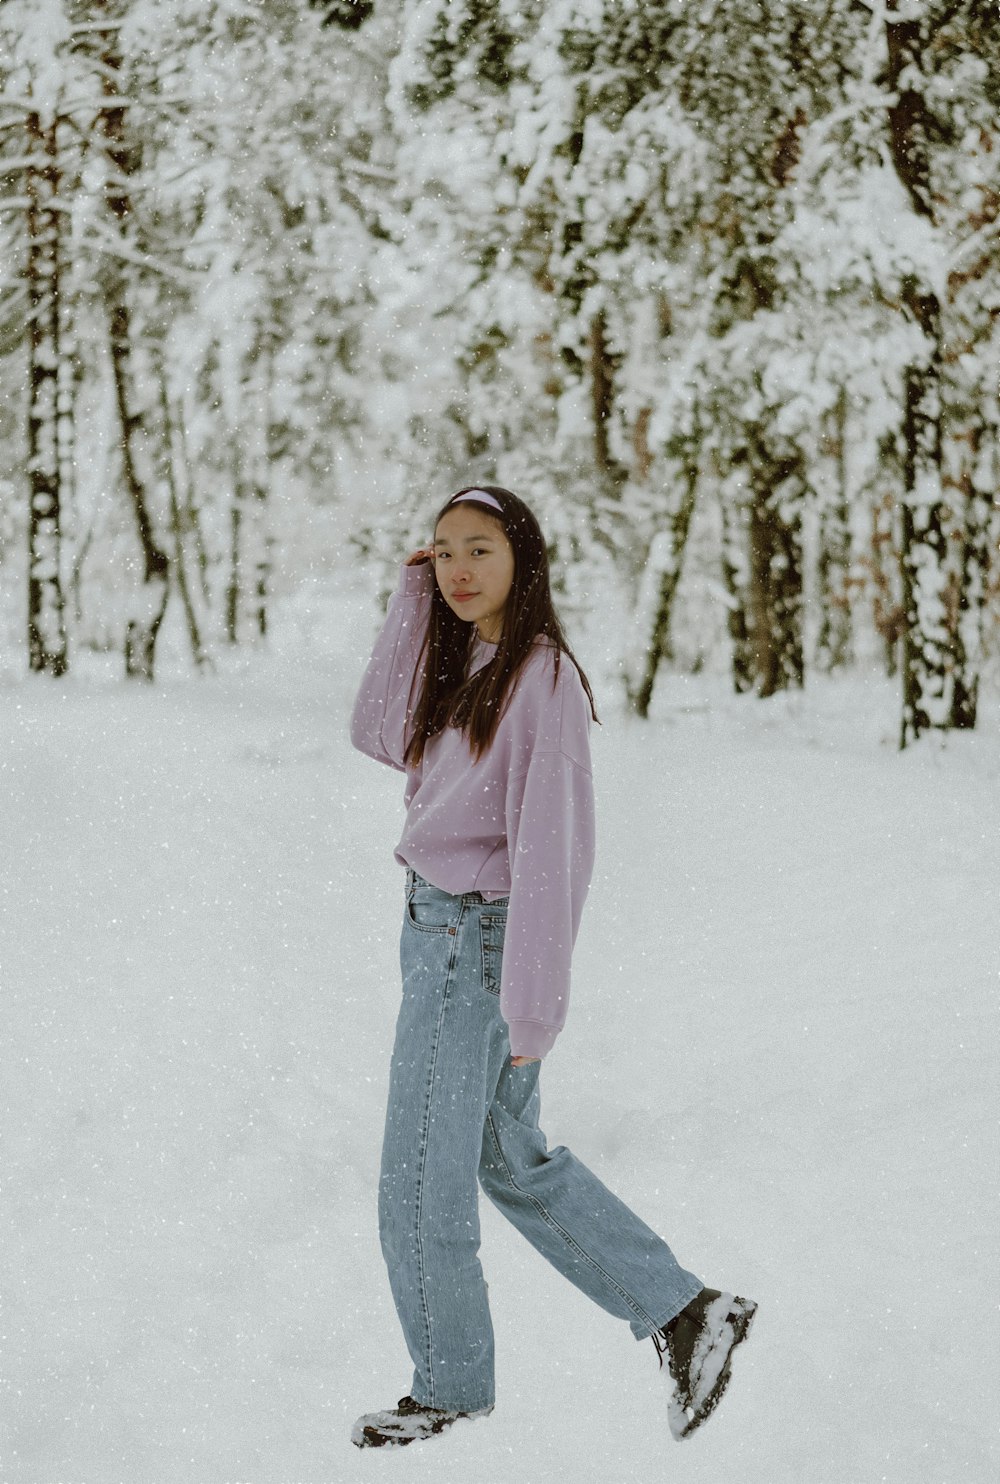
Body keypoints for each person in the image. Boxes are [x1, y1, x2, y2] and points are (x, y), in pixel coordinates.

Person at [348, 485, 756, 1449]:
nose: (457, 569)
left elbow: (553, 854)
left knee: (416, 1174)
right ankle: (688, 1312)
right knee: (501, 1155)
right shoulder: (465, 660)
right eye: (442, 552)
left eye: (479, 550)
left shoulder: (542, 680)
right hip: (436, 934)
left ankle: (449, 1384)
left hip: (471, 948)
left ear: (523, 562)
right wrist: (412, 603)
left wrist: (532, 1014)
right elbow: (374, 732)